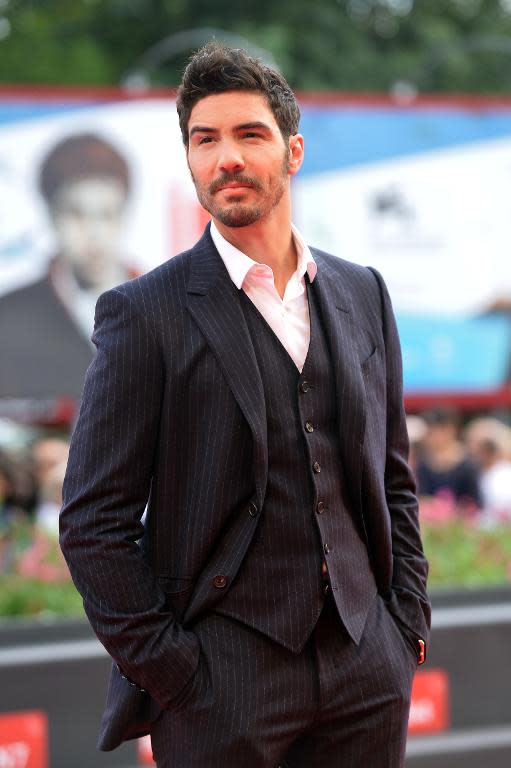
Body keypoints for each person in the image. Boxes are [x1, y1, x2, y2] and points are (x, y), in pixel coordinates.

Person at [60, 43, 430, 768]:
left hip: (365, 668)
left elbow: (391, 479)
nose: (225, 157)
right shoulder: (145, 312)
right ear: (191, 161)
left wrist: (404, 627)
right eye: (205, 140)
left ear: (292, 151)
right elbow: (92, 520)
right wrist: (176, 672)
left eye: (248, 134)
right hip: (221, 683)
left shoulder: (362, 293)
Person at [0, 132, 133, 400]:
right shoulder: (10, 319)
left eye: (107, 214)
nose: (94, 233)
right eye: (76, 214)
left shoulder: (166, 309)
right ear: (51, 216)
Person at [416, 406, 482, 514]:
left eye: (440, 430)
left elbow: (476, 502)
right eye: (431, 431)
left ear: (452, 430)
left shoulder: (468, 465)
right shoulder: (423, 465)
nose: (436, 437)